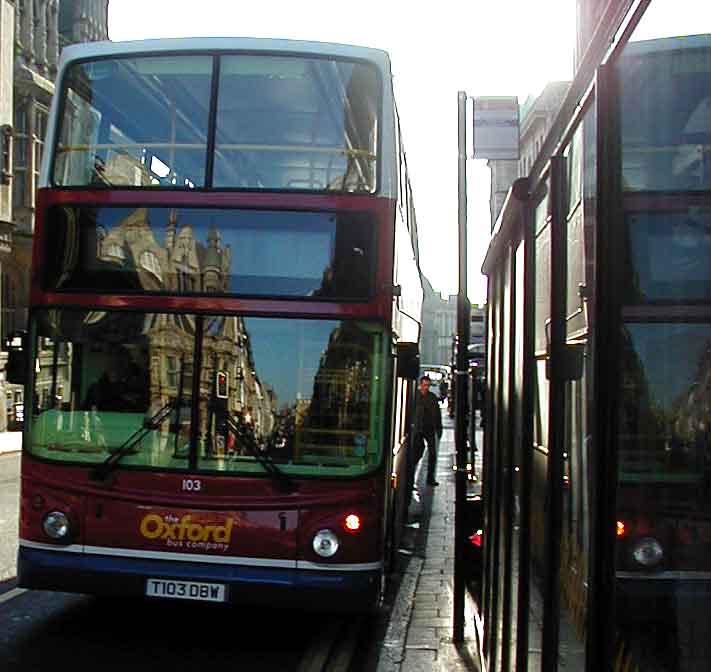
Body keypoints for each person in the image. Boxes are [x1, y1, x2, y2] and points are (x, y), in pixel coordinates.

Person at [84, 349, 148, 413]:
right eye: (110, 358)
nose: (114, 362)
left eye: (120, 359)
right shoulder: (95, 389)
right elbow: (86, 414)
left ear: (129, 361)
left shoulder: (141, 385)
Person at [413, 375, 443, 487]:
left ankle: (430, 478)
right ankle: (412, 477)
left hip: (428, 428)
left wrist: (438, 428)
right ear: (420, 385)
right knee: (416, 454)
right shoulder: (415, 396)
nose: (426, 387)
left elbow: (437, 414)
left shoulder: (432, 397)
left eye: (428, 385)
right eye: (424, 385)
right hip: (418, 428)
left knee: (432, 454)